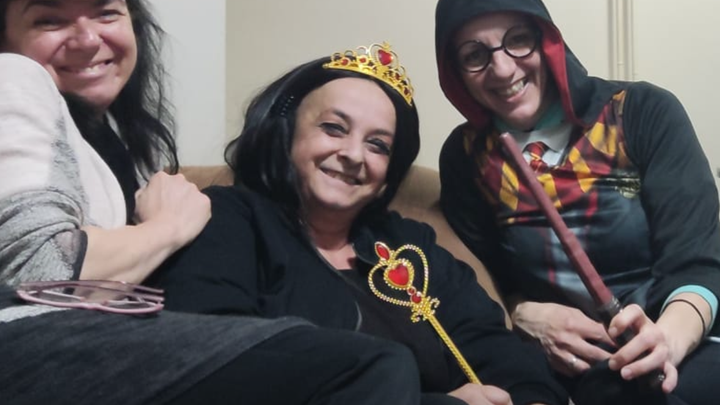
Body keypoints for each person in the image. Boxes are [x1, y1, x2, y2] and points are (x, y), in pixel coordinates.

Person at [0, 1, 427, 404]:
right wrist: (168, 227)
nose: (88, 39)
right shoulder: (13, 77)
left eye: (106, 13)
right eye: (49, 20)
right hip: (25, 343)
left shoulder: (113, 137)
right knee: (369, 365)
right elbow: (39, 278)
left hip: (77, 349)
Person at [148, 42, 568, 405]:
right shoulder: (229, 219)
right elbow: (218, 366)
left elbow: (495, 346)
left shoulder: (411, 246)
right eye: (333, 128)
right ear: (286, 134)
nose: (353, 155)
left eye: (377, 145)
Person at [434, 0, 720, 403]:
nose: (502, 69)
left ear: (547, 40)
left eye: (518, 40)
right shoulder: (466, 156)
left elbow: (696, 262)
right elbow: (485, 283)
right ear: (455, 72)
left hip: (685, 336)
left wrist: (667, 341)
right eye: (474, 55)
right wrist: (523, 313)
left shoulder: (642, 111)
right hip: (573, 368)